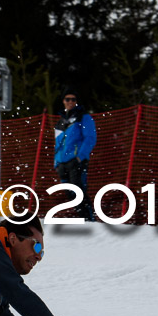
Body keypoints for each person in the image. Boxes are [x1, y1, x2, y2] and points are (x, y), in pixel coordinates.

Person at [54, 88, 97, 221]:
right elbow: (57, 144)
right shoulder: (60, 122)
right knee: (70, 193)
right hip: (62, 163)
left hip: (76, 161)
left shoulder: (83, 117)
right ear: (63, 101)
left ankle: (90, 220)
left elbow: (90, 138)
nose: (70, 102)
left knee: (79, 190)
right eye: (68, 99)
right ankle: (83, 218)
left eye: (73, 99)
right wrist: (56, 163)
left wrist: (80, 157)